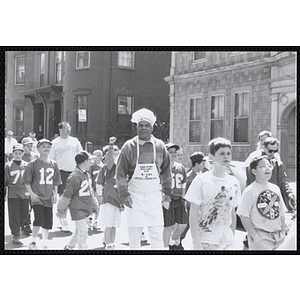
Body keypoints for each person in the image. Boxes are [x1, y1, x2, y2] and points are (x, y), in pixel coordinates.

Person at [116, 108, 172, 250]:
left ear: (152, 127)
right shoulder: (128, 147)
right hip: (134, 198)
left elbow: (166, 171)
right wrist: (124, 193)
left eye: (147, 125)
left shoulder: (160, 146)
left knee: (157, 236)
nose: (143, 128)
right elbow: (120, 173)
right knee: (134, 239)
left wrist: (167, 192)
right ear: (136, 127)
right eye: (140, 125)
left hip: (154, 197)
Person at [185, 138, 241, 250]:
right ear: (211, 157)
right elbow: (193, 213)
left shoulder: (234, 182)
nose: (226, 157)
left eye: (228, 153)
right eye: (221, 154)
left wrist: (232, 236)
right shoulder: (201, 180)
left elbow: (232, 213)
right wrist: (196, 242)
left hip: (227, 241)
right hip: (205, 240)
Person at [237, 156, 288, 250]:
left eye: (269, 165)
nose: (268, 168)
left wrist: (283, 232)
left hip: (278, 236)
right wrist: (255, 237)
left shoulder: (275, 188)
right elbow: (244, 216)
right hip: (261, 237)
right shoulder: (250, 191)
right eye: (263, 166)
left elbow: (281, 213)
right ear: (254, 171)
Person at [23, 139, 61, 250]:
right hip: (37, 196)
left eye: (48, 146)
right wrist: (31, 194)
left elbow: (56, 181)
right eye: (43, 146)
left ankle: (44, 242)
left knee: (48, 221)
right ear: (38, 148)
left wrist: (55, 193)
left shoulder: (53, 164)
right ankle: (33, 241)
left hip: (48, 196)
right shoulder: (33, 164)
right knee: (39, 219)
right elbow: (26, 181)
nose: (46, 148)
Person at [56, 151, 99, 250]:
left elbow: (90, 192)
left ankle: (69, 246)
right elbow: (67, 195)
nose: (91, 163)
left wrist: (94, 204)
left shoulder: (86, 175)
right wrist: (61, 210)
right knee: (83, 233)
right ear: (84, 162)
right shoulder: (74, 176)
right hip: (77, 208)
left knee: (79, 230)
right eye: (89, 161)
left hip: (85, 206)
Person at [49, 121, 83, 232]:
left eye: (69, 127)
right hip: (61, 172)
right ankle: (63, 219)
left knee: (75, 197)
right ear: (60, 129)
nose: (69, 129)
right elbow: (51, 160)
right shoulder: (55, 143)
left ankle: (76, 220)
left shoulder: (75, 141)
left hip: (74, 172)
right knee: (64, 197)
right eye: (66, 127)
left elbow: (81, 154)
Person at [246, 137, 295, 212]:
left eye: (275, 151)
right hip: (259, 199)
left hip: (274, 199)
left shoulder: (277, 163)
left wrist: (289, 193)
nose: (273, 153)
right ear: (264, 148)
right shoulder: (255, 163)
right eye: (270, 151)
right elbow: (251, 182)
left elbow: (283, 180)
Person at [96, 137, 124, 250]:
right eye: (113, 151)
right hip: (109, 199)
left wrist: (123, 201)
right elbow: (99, 183)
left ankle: (112, 243)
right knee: (108, 225)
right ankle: (108, 245)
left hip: (118, 201)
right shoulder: (109, 167)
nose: (115, 153)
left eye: (117, 151)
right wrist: (100, 196)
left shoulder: (122, 168)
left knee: (114, 226)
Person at [179, 152, 208, 246]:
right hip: (191, 207)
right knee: (187, 225)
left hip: (202, 206)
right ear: (197, 164)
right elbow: (187, 195)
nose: (204, 166)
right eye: (202, 164)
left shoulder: (203, 174)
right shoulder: (190, 177)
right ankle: (176, 242)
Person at [162, 143, 187, 250]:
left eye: (174, 152)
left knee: (183, 224)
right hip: (168, 198)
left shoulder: (180, 167)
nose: (173, 154)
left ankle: (173, 240)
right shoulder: (162, 167)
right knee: (168, 226)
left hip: (179, 198)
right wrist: (163, 198)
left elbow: (184, 183)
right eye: (170, 152)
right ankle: (165, 247)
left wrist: (184, 196)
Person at [5, 144, 30, 244]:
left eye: (20, 153)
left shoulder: (27, 165)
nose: (18, 155)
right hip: (13, 193)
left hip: (25, 192)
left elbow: (30, 180)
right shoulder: (8, 166)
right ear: (12, 154)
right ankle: (15, 233)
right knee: (14, 214)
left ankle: (21, 227)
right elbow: (6, 180)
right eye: (16, 153)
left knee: (25, 213)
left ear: (23, 153)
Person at [87, 149, 104, 230]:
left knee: (98, 205)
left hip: (100, 188)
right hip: (93, 188)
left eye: (101, 155)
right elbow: (89, 177)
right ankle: (90, 217)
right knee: (92, 204)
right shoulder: (92, 166)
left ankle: (96, 221)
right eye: (98, 155)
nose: (100, 157)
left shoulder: (103, 166)